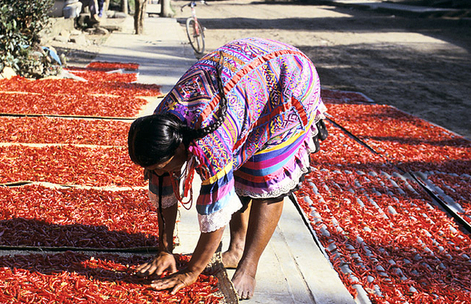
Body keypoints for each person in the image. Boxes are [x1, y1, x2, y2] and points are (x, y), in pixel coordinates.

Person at [128, 37, 328, 299]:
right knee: (237, 171)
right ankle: (236, 247)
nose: (161, 173)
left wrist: (192, 271)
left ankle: (249, 265)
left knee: (264, 177)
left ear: (180, 149)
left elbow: (216, 214)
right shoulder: (161, 123)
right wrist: (165, 251)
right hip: (247, 80)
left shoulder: (210, 144)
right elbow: (163, 186)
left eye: (162, 166)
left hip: (288, 83)